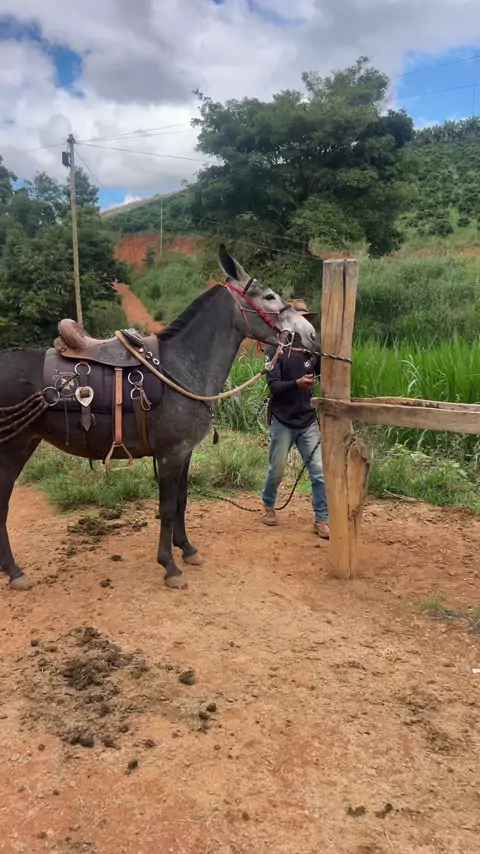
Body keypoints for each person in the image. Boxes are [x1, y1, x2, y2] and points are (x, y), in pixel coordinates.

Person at [260, 299, 329, 538]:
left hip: (307, 420)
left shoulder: (313, 351)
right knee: (277, 469)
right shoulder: (275, 350)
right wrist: (297, 384)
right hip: (283, 420)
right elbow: (274, 386)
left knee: (319, 471)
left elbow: (326, 373)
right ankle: (268, 504)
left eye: (305, 320)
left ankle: (322, 518)